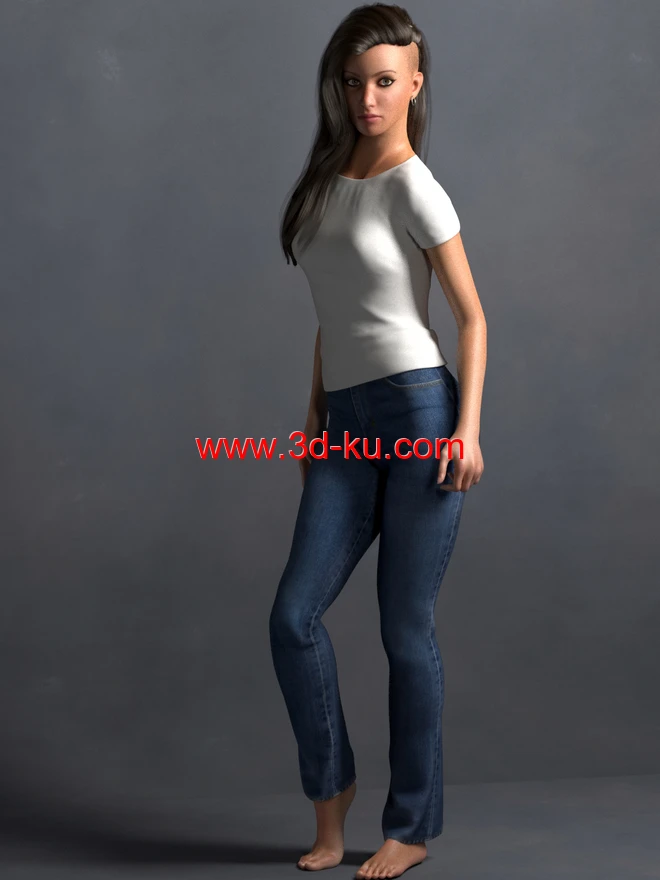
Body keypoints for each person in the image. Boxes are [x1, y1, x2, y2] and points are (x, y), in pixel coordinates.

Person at [270, 4, 486, 877]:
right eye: (356, 82)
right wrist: (315, 414)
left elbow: (471, 318)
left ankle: (412, 826)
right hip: (346, 426)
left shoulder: (414, 184)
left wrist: (468, 431)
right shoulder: (326, 181)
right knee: (293, 618)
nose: (369, 98)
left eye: (386, 81)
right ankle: (332, 805)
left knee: (405, 629)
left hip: (419, 413)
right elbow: (334, 316)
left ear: (415, 85)